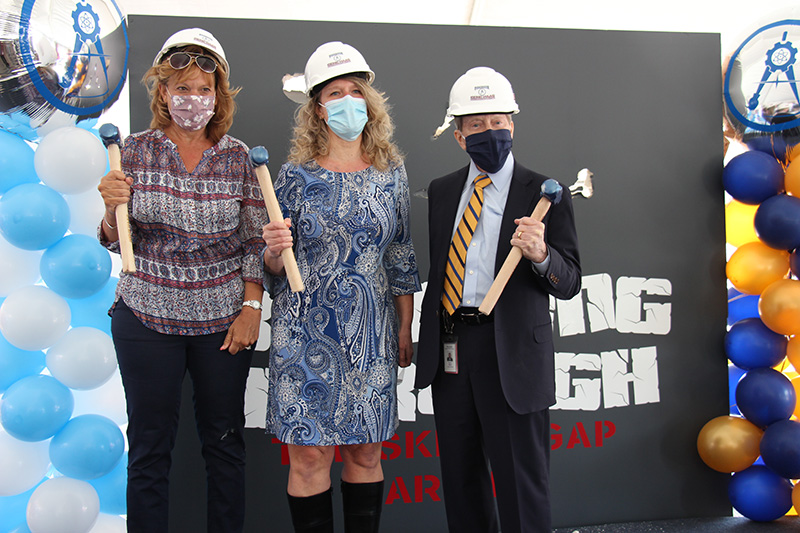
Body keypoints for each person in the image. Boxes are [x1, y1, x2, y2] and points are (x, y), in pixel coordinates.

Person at [97, 27, 266, 533]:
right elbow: (112, 239)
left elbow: (256, 242)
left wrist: (251, 309)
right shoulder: (133, 152)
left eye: (204, 90)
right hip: (146, 318)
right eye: (182, 88)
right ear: (163, 94)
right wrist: (109, 210)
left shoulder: (239, 157)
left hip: (222, 324)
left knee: (224, 445)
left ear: (219, 97)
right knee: (149, 448)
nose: (193, 99)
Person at [262, 41, 420, 533]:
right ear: (316, 107)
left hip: (370, 337)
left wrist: (404, 325)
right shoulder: (289, 177)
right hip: (302, 336)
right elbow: (270, 265)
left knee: (365, 452)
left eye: (356, 90)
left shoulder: (391, 175)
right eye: (335, 92)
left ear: (369, 102)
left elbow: (400, 255)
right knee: (308, 458)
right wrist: (270, 250)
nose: (348, 100)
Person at [416, 67, 581, 533]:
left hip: (511, 355)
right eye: (477, 124)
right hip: (452, 352)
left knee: (521, 486)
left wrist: (541, 254)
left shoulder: (546, 194)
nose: (491, 132)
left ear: (513, 123)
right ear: (458, 135)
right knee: (461, 483)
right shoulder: (444, 191)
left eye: (499, 121)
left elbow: (568, 281)